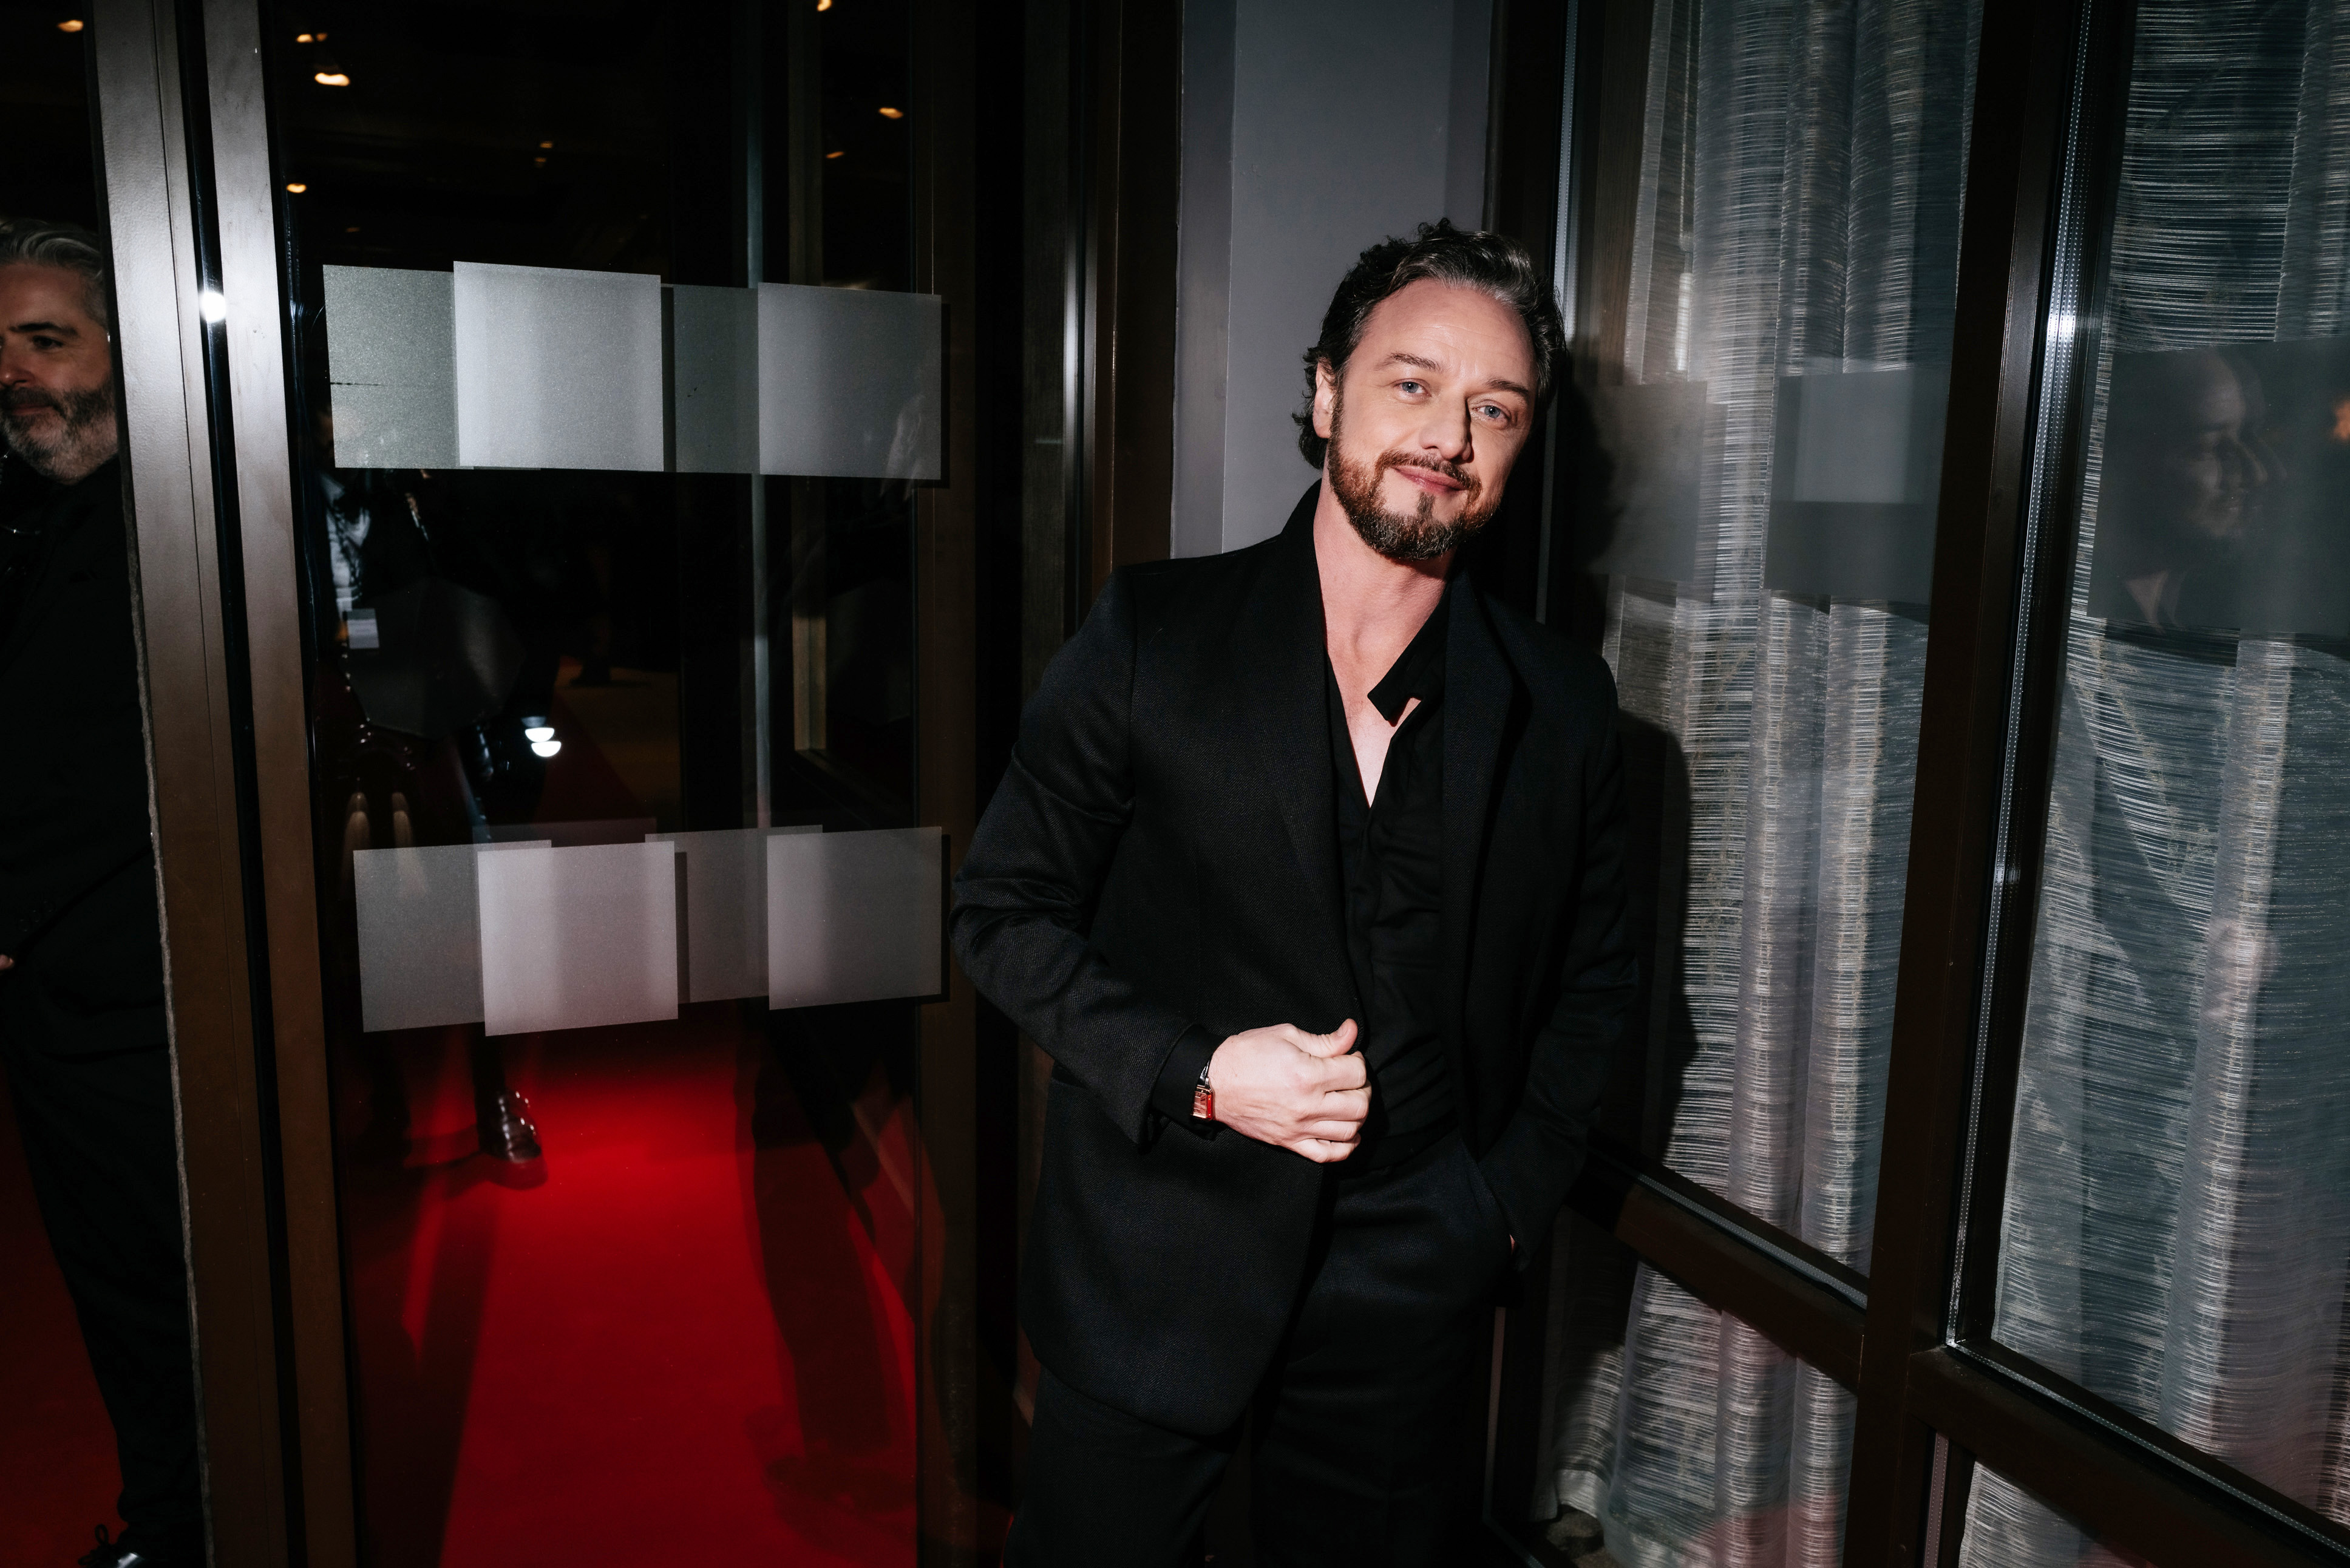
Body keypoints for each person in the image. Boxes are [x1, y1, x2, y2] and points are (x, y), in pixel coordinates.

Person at [952, 220, 1638, 1564]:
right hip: (1155, 1260)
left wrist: (1494, 1208)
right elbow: (1001, 912)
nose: (1449, 432)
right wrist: (1200, 1067)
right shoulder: (1155, 634)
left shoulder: (1561, 706)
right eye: (1411, 382)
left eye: (1493, 408)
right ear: (1326, 390)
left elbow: (1598, 986)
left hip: (1408, 1282)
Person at [0, 217, 205, 1567]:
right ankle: (170, 1524)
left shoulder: (187, 542)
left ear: (129, 357)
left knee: (187, 1309)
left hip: (162, 1016)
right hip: (53, 1016)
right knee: (120, 1312)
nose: (16, 376)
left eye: (46, 340)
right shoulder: (24, 521)